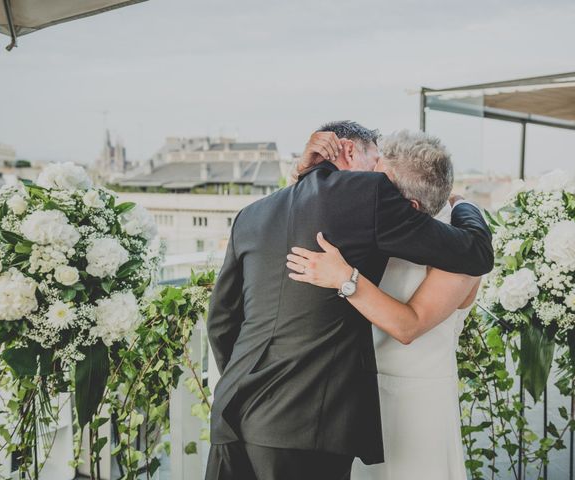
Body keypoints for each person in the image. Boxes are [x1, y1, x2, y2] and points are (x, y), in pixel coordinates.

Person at [205, 121, 493, 480]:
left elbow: (221, 321)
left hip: (235, 410)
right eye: (375, 159)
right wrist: (467, 205)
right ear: (350, 151)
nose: (376, 173)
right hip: (305, 423)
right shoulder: (367, 196)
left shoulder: (255, 212)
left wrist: (248, 381)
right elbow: (476, 251)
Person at [287, 129, 481, 479]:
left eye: (378, 184)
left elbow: (409, 326)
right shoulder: (376, 230)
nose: (364, 189)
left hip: (419, 408)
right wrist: (303, 172)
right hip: (359, 399)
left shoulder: (461, 247)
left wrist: (345, 278)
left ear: (408, 205)